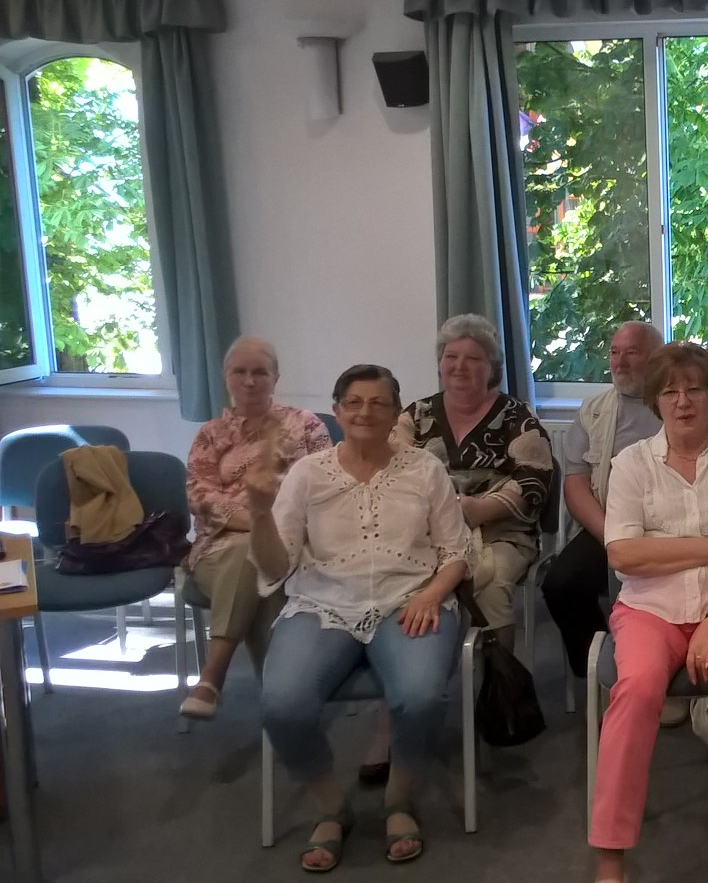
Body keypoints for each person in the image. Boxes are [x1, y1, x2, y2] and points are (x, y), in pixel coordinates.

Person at [251, 364, 473, 870]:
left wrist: (433, 594)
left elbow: (456, 551)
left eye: (378, 403)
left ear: (396, 414)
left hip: (408, 599)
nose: (365, 412)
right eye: (353, 402)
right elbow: (275, 566)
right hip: (322, 604)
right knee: (282, 705)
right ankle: (331, 808)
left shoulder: (425, 469)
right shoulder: (308, 474)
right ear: (337, 411)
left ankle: (399, 801)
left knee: (420, 696)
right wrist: (260, 513)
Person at [589, 342, 708, 883]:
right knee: (636, 688)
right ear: (655, 400)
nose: (682, 401)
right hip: (647, 610)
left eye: (694, 388)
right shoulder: (631, 464)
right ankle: (610, 857)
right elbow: (622, 555)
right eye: (670, 391)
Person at [179, 336, 331, 720]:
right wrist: (260, 524)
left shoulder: (305, 424)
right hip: (220, 547)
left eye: (260, 372)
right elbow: (201, 496)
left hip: (294, 544)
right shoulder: (210, 434)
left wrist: (276, 531)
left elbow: (328, 485)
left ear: (276, 377)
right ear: (225, 376)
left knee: (265, 566)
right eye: (240, 372)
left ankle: (220, 680)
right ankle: (282, 699)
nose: (249, 381)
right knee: (252, 555)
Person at [396, 313, 555, 651]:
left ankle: (497, 674)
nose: (459, 366)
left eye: (473, 359)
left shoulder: (517, 417)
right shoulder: (415, 415)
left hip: (500, 531)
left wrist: (479, 509)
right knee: (399, 577)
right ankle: (421, 662)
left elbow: (534, 480)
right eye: (451, 356)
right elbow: (391, 472)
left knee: (491, 584)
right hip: (425, 531)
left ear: (491, 368)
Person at [543, 320, 663, 689]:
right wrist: (610, 534)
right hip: (607, 526)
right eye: (614, 352)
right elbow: (576, 483)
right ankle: (602, 673)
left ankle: (663, 668)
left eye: (631, 353)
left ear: (656, 358)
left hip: (670, 529)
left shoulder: (681, 402)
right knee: (560, 585)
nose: (619, 362)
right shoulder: (593, 411)